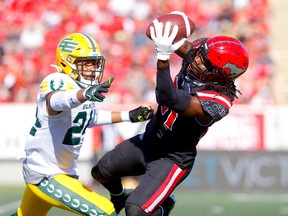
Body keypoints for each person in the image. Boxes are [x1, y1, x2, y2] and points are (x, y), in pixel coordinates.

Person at [91, 15, 249, 216]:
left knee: (136, 212)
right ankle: (119, 198)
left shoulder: (217, 101)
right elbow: (172, 40)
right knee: (101, 172)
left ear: (218, 73)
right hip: (149, 141)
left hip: (172, 158)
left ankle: (164, 206)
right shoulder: (201, 58)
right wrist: (163, 32)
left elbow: (168, 98)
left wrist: (163, 58)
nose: (197, 57)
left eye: (204, 60)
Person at [12, 33, 154, 216]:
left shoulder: (81, 89)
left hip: (57, 172)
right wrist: (84, 94)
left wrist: (129, 116)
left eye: (94, 63)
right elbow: (55, 101)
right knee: (105, 211)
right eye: (86, 63)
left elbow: (89, 116)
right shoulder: (59, 81)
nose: (92, 68)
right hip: (45, 174)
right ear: (67, 61)